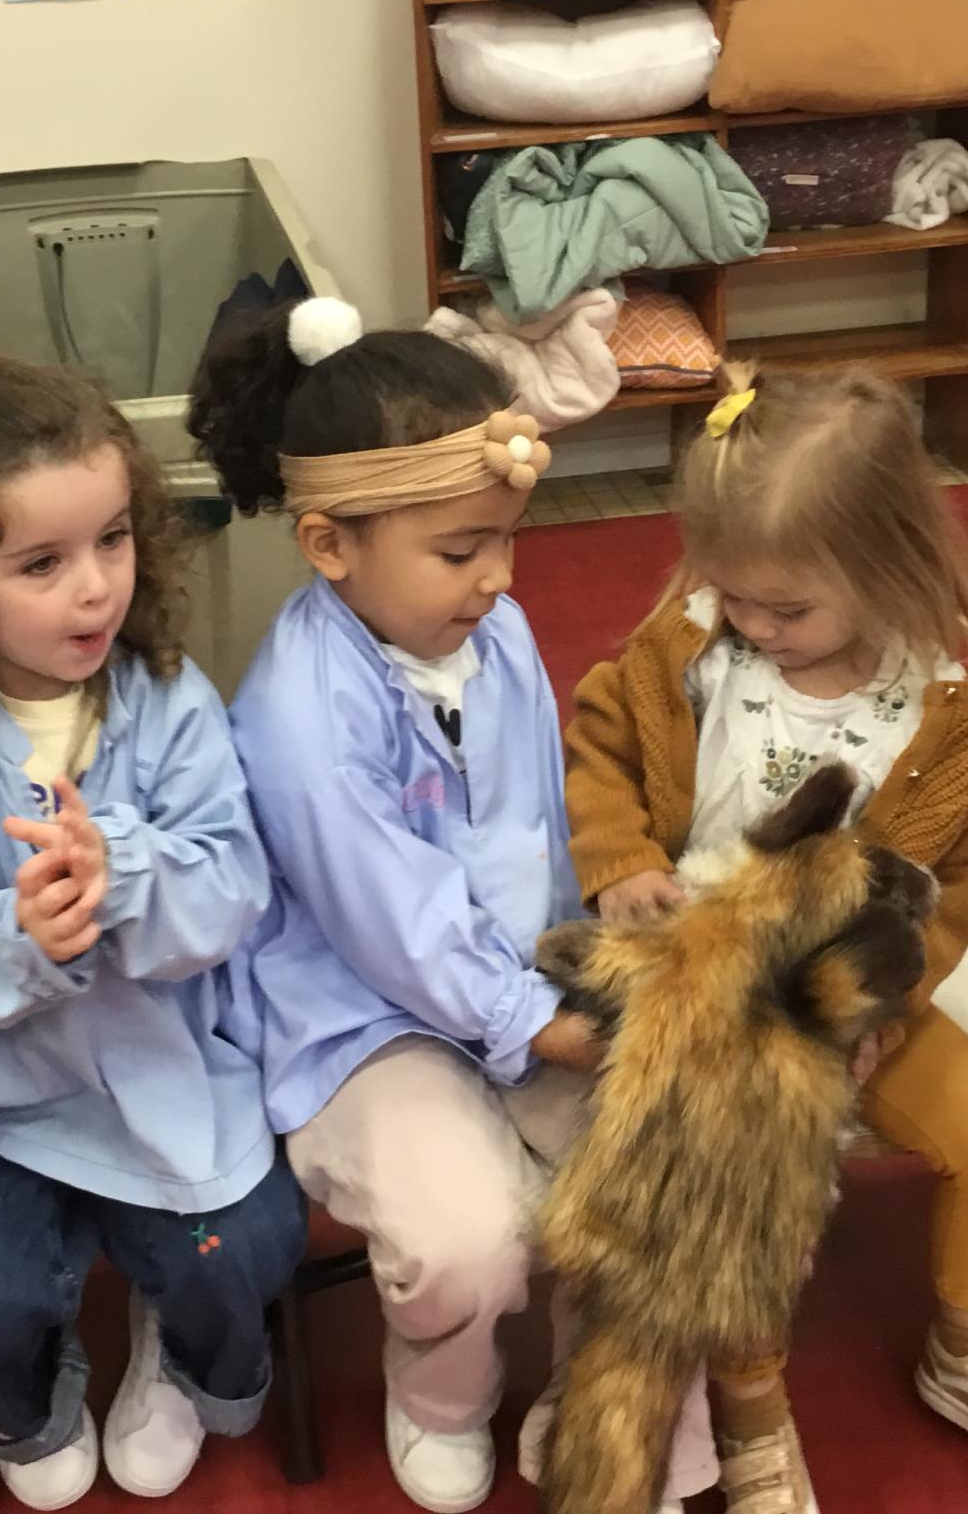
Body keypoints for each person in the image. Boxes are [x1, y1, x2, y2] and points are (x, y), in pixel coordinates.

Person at [188, 298, 718, 1514]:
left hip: (518, 979)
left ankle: (603, 1402)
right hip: (364, 1026)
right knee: (467, 1241)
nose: (499, 577)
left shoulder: (501, 633)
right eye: (461, 550)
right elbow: (392, 929)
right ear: (329, 545)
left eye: (506, 541)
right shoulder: (299, 715)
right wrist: (549, 1029)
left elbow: (536, 815)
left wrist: (595, 962)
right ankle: (441, 1394)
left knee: (659, 1172)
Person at [561, 362, 968, 1514]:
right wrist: (620, 858)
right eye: (734, 595)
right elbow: (600, 741)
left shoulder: (938, 725)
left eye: (787, 609)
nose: (756, 627)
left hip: (845, 999)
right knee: (736, 1183)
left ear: (885, 566)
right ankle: (749, 1403)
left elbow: (959, 885)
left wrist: (881, 1009)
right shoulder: (691, 647)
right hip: (698, 985)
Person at [0, 339, 308, 1510]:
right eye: (41, 562)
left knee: (243, 1254)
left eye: (113, 540)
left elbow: (232, 882)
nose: (95, 589)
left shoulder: (169, 698)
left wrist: (123, 874)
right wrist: (19, 931)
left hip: (168, 1070)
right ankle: (25, 1393)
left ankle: (183, 1350)